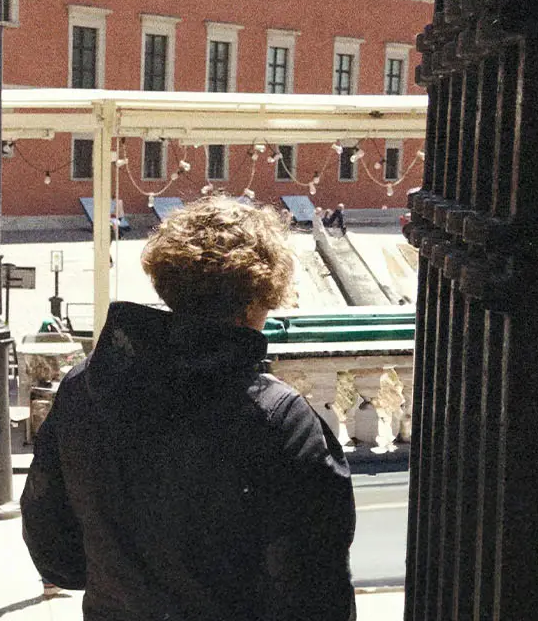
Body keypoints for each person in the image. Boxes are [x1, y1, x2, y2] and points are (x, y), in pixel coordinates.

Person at [21, 196, 356, 621]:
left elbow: (57, 558)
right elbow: (318, 596)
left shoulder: (84, 387)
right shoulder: (279, 420)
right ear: (256, 301)